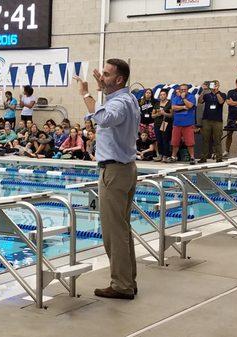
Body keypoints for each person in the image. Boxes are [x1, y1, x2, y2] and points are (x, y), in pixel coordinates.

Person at [74, 58, 139, 300]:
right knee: (122, 229)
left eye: (108, 75)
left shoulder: (120, 103)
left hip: (115, 172)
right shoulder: (127, 99)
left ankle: (122, 285)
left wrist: (87, 94)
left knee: (114, 232)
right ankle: (128, 281)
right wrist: (103, 89)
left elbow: (105, 118)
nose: (103, 78)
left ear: (120, 79)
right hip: (125, 169)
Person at [167, 84, 197, 164]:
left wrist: (183, 98)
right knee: (175, 141)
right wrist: (183, 107)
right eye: (182, 89)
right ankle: (173, 157)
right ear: (179, 90)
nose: (183, 91)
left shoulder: (191, 97)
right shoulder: (175, 98)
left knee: (190, 142)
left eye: (185, 89)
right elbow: (173, 107)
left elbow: (190, 105)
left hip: (188, 124)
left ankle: (192, 157)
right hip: (177, 123)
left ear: (187, 90)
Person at [198, 80, 226, 163]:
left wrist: (216, 92)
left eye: (216, 85)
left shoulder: (222, 94)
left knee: (217, 139)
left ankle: (219, 157)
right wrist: (203, 90)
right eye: (213, 85)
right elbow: (199, 101)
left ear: (218, 85)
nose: (214, 86)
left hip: (217, 120)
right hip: (206, 119)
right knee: (205, 139)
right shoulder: (207, 95)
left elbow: (221, 102)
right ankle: (204, 157)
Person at [152, 90, 173, 162]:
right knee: (159, 139)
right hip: (157, 123)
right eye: (161, 95)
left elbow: (171, 115)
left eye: (163, 94)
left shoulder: (169, 103)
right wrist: (157, 114)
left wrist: (164, 113)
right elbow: (152, 115)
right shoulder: (157, 103)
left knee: (165, 139)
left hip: (165, 123)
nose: (162, 96)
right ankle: (160, 154)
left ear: (166, 95)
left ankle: (165, 155)